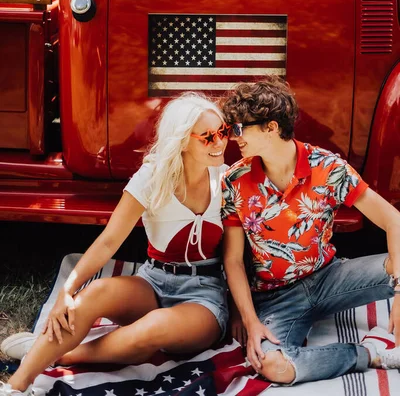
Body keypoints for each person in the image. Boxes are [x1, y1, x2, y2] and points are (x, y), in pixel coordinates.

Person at [0, 93, 230, 396]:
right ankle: (16, 386)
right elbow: (108, 241)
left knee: (152, 328)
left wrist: (243, 314)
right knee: (92, 294)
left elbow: (241, 256)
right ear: (182, 140)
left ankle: (55, 354)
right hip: (154, 281)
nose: (220, 142)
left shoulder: (229, 179)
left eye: (223, 131)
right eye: (208, 137)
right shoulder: (152, 177)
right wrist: (66, 293)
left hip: (205, 296)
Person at [220, 76, 400, 386]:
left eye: (239, 128)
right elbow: (233, 260)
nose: (233, 137)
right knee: (273, 366)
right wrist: (249, 320)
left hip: (330, 278)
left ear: (271, 127)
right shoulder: (235, 180)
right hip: (274, 297)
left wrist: (399, 292)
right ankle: (369, 354)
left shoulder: (328, 168)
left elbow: (393, 220)